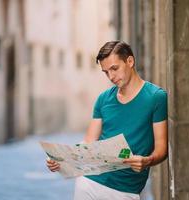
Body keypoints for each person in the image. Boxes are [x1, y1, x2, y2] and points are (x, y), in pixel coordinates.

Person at [46, 41, 168, 200]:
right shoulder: (103, 99)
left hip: (126, 189)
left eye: (114, 69)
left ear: (130, 61)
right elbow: (89, 143)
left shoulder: (156, 97)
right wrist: (62, 160)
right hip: (89, 182)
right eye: (106, 72)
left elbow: (161, 149)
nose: (111, 76)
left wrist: (147, 161)